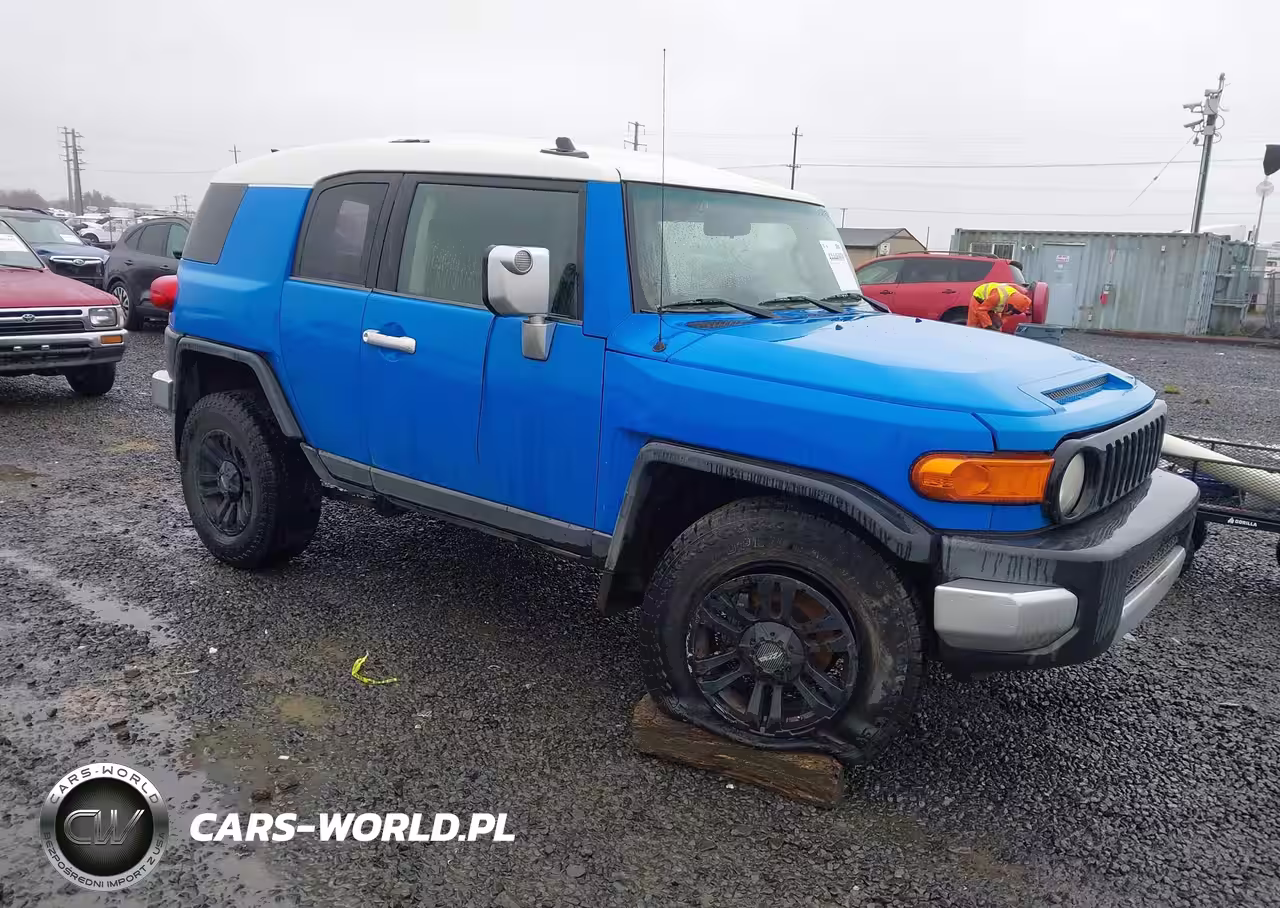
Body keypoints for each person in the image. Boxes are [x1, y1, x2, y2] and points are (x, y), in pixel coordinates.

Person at [968, 281, 1032, 331]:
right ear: (1011, 305)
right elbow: (981, 311)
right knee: (974, 326)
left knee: (997, 324)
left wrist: (1000, 324)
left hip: (993, 304)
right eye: (1013, 310)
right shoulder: (997, 296)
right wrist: (988, 326)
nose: (1012, 312)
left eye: (1015, 312)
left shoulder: (1015, 301)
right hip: (979, 299)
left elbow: (1007, 315)